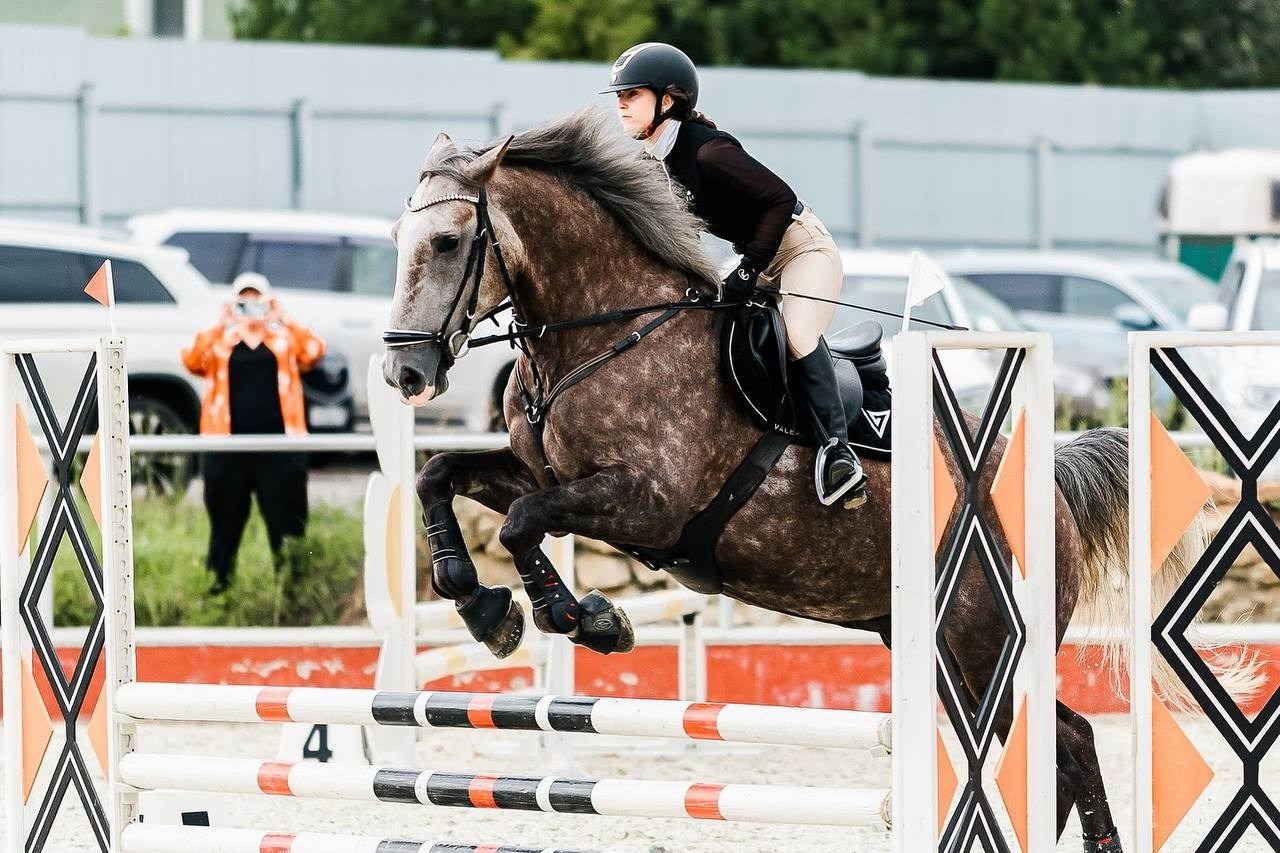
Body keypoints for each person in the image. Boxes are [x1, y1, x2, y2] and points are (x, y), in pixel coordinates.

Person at [603, 42, 867, 508]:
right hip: (757, 256)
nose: (621, 103)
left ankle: (838, 453)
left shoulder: (710, 152)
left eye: (633, 94)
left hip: (802, 248)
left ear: (669, 100)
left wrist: (749, 267)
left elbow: (780, 199)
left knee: (797, 335)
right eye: (620, 95)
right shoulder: (654, 160)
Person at [180, 272, 327, 593]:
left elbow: (315, 350)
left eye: (256, 302)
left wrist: (282, 318)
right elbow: (190, 358)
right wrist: (221, 323)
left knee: (285, 519)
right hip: (227, 447)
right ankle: (220, 584)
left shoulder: (283, 340)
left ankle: (291, 588)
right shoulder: (221, 342)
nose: (250, 310)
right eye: (243, 303)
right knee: (225, 520)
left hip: (278, 446)